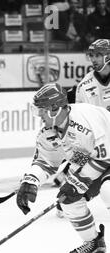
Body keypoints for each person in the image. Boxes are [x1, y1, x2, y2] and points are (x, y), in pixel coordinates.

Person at [16, 83, 108, 253]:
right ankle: (94, 243)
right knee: (68, 201)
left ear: (55, 109)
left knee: (108, 190)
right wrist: (30, 181)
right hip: (92, 161)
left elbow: (105, 157)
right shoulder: (49, 131)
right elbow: (46, 161)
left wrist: (77, 182)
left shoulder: (86, 118)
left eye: (42, 110)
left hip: (107, 157)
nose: (39, 115)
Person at [54, 39, 110, 217]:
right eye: (92, 55)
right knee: (66, 203)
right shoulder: (85, 85)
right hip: (99, 150)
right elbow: (80, 122)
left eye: (98, 55)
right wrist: (72, 161)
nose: (94, 59)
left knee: (108, 191)